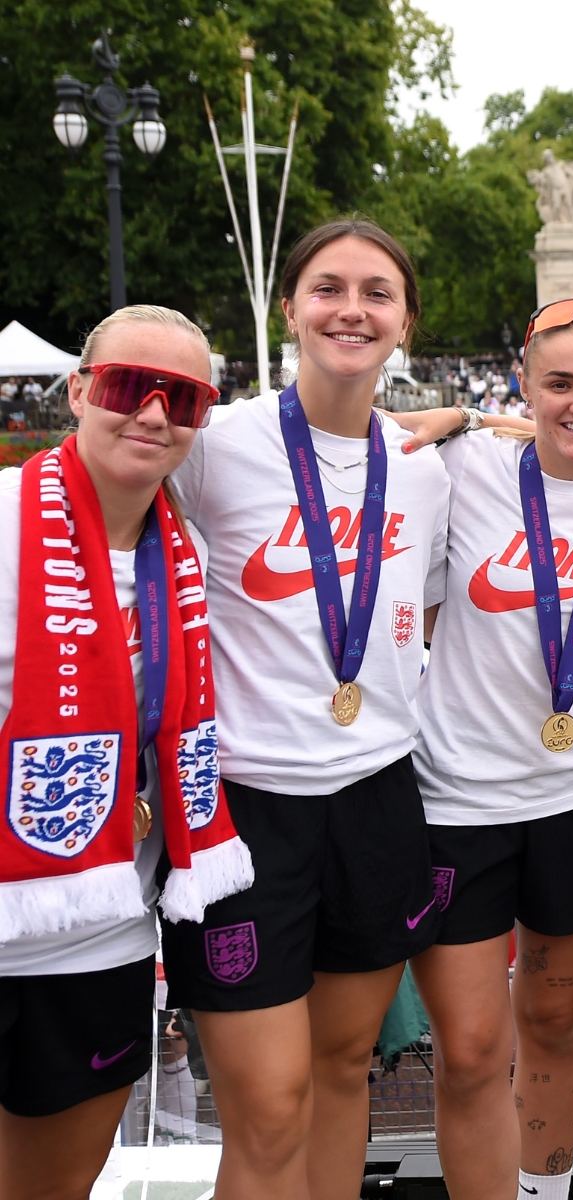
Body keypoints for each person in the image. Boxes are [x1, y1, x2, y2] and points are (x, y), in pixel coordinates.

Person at [158, 219, 451, 1200]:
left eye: (377, 292)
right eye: (329, 287)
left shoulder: (420, 471)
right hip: (244, 816)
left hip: (374, 802)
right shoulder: (217, 446)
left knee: (341, 1074)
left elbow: (421, 613)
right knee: (269, 1104)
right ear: (291, 307)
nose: (352, 309)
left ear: (404, 321)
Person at [399, 300, 573, 1200]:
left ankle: (546, 1190)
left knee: (554, 1018)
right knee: (471, 1047)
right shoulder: (460, 467)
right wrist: (461, 415)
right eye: (558, 384)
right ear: (523, 384)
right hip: (460, 797)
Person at [0, 307, 252, 1200]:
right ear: (78, 390)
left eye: (180, 397)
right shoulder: (4, 526)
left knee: (55, 1186)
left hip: (100, 938)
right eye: (124, 386)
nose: (151, 413)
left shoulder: (190, 555)